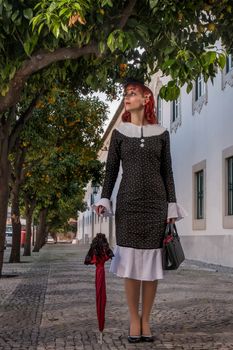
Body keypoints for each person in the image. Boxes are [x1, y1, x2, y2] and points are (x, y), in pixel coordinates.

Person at [93, 78, 186, 343]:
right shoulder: (120, 134)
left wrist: (171, 205)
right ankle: (134, 320)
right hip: (129, 206)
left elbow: (167, 173)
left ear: (147, 98)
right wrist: (103, 199)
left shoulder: (162, 133)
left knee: (151, 266)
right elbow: (110, 172)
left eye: (132, 93)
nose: (127, 97)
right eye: (125, 94)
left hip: (156, 206)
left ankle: (147, 320)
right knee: (132, 266)